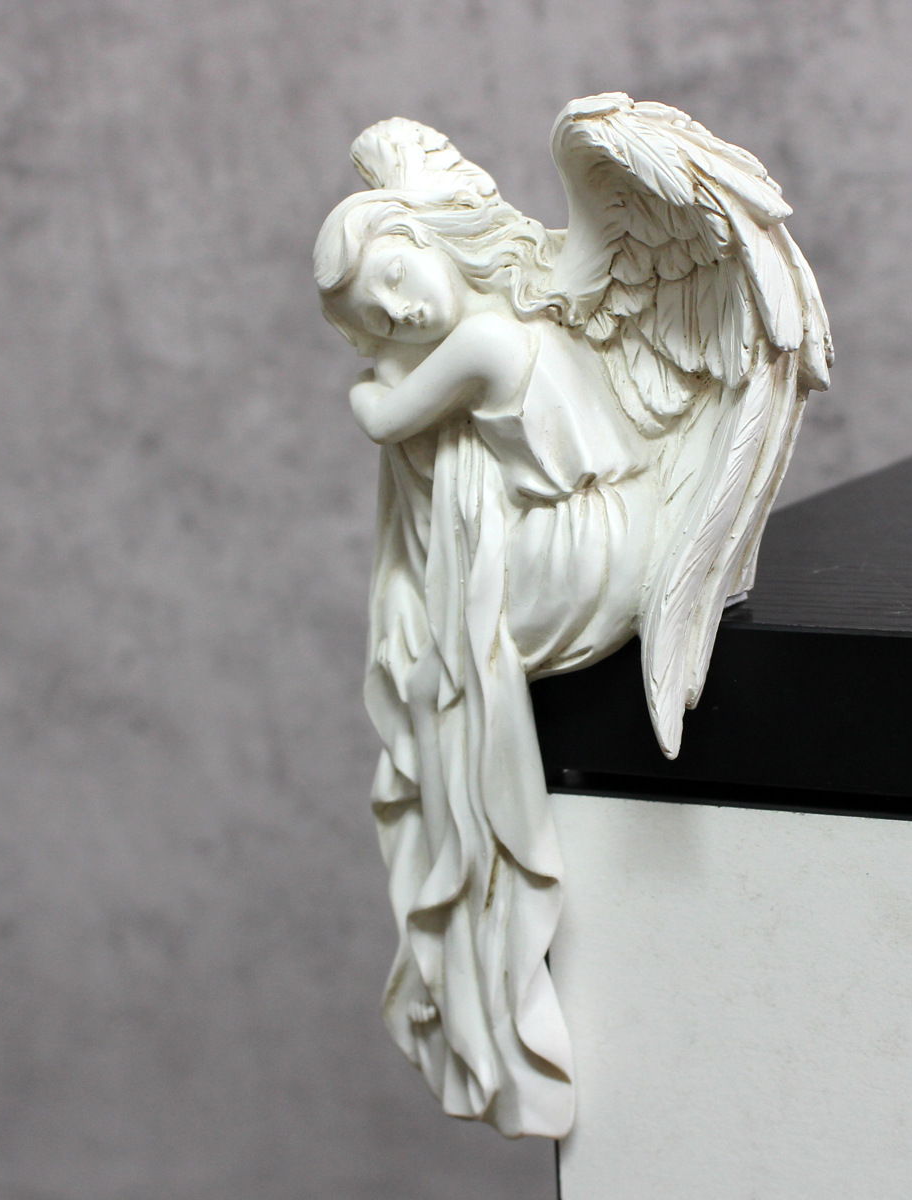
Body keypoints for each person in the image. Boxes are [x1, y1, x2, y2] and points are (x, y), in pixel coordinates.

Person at [314, 188, 659, 1138]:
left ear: (426, 238)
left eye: (397, 278)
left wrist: (372, 371)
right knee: (433, 678)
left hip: (580, 543)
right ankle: (472, 939)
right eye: (380, 318)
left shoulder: (488, 341)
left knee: (440, 684)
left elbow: (382, 415)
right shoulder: (491, 330)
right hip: (582, 531)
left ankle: (479, 930)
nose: (403, 312)